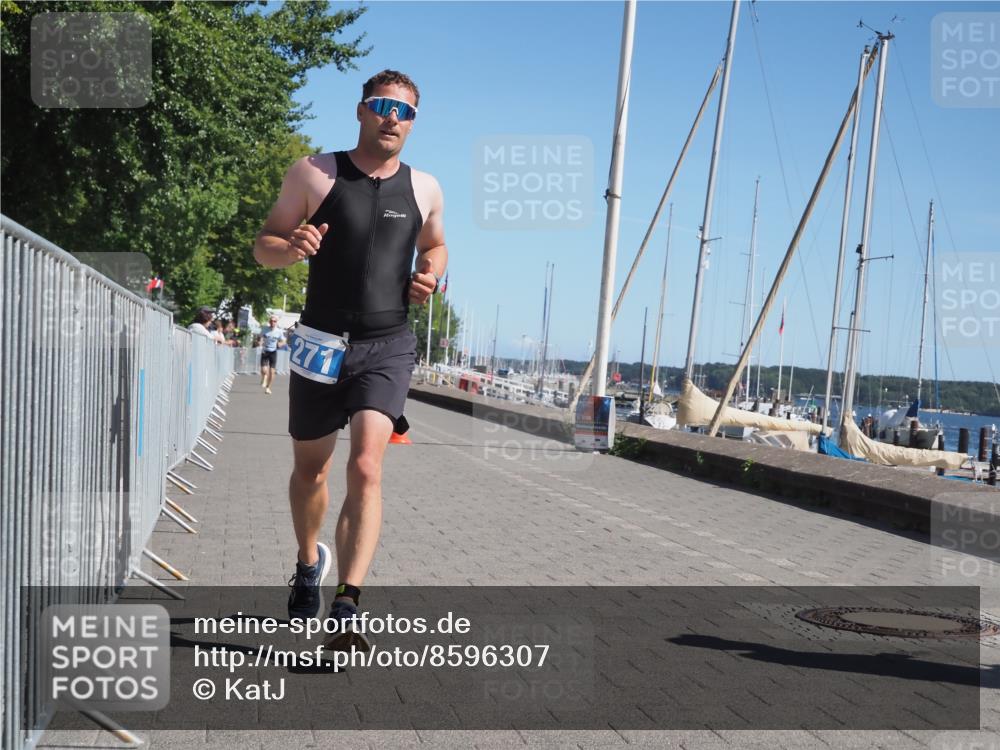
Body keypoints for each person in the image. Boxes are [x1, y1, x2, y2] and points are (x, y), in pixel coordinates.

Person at [253, 70, 446, 650]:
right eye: (384, 106)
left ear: (413, 123)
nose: (393, 117)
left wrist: (431, 275)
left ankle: (347, 601)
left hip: (388, 345)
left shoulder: (426, 188)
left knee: (366, 465)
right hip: (319, 342)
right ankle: (309, 560)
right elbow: (264, 245)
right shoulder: (314, 172)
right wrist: (291, 247)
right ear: (362, 111)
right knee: (311, 470)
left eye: (405, 111)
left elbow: (435, 243)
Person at [258, 314, 287, 394]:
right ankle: (264, 376)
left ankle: (268, 388)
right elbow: (260, 337)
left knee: (272, 371)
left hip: (273, 352)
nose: (272, 322)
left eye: (274, 321)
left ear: (276, 322)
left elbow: (284, 341)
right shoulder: (265, 329)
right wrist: (260, 342)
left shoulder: (279, 331)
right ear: (269, 321)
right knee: (264, 370)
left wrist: (280, 344)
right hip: (265, 351)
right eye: (271, 321)